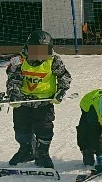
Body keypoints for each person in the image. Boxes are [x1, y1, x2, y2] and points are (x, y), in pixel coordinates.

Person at [5, 31, 72, 168]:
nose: (40, 55)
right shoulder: (19, 59)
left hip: (44, 102)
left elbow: (65, 76)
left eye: (44, 51)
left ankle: (42, 153)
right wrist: (14, 93)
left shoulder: (54, 60)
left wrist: (60, 92)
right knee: (21, 128)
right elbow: (13, 77)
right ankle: (26, 149)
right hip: (23, 101)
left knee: (44, 128)